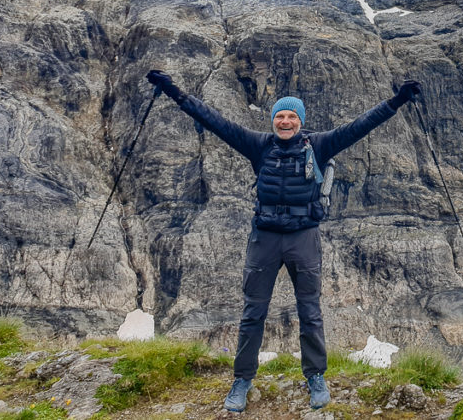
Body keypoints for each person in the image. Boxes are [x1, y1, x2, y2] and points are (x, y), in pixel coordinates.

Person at [145, 70, 421, 412]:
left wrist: (397, 101)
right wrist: (172, 90)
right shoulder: (259, 146)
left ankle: (315, 377)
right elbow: (213, 120)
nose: (285, 121)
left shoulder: (319, 145)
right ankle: (242, 379)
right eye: (280, 116)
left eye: (292, 116)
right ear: (273, 120)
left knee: (310, 312)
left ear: (300, 121)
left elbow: (361, 125)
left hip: (304, 237)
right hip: (265, 238)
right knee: (253, 312)